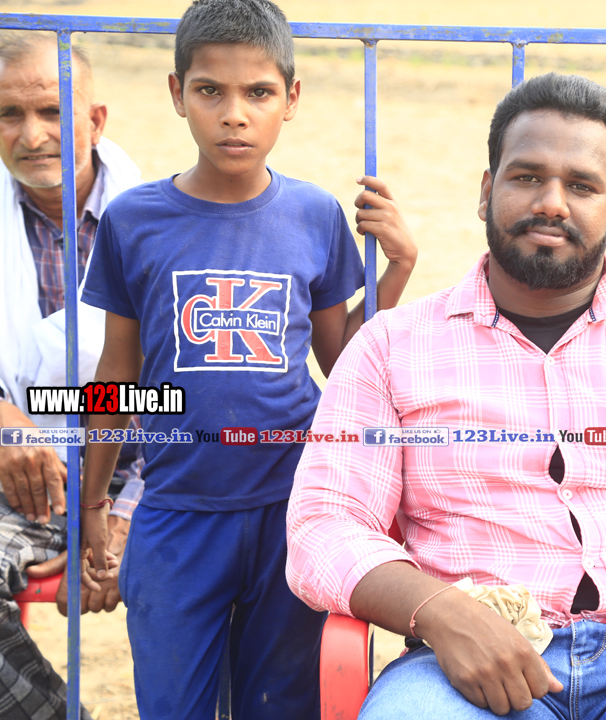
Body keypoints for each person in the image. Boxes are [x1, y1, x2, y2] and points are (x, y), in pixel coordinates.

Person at [287, 71, 606, 720]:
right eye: (527, 177)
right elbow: (324, 524)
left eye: (581, 186)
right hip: (463, 666)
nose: (552, 203)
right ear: (486, 192)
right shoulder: (390, 348)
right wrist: (441, 612)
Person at [77, 0, 418, 718]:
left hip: (290, 508)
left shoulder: (315, 215)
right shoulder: (133, 221)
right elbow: (115, 375)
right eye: (211, 91)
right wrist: (92, 501)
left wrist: (396, 270)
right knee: (172, 704)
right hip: (176, 513)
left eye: (258, 92)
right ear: (178, 94)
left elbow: (343, 363)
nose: (234, 114)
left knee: (279, 703)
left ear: (289, 99)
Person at [0, 32, 144, 720]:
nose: (32, 136)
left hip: (155, 477)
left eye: (54, 111)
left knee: (247, 558)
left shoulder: (164, 219)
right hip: (15, 482)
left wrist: (123, 514)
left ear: (96, 119)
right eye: (9, 114)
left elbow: (201, 392)